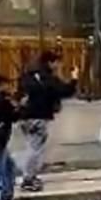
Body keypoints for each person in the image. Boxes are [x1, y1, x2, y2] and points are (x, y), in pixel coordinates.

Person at [17, 51, 79, 192]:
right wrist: (74, 78)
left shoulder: (29, 75)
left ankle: (30, 176)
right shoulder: (48, 78)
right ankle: (28, 179)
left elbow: (21, 93)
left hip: (25, 116)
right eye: (57, 62)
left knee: (31, 146)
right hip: (39, 117)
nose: (58, 66)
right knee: (35, 149)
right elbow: (65, 91)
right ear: (50, 62)